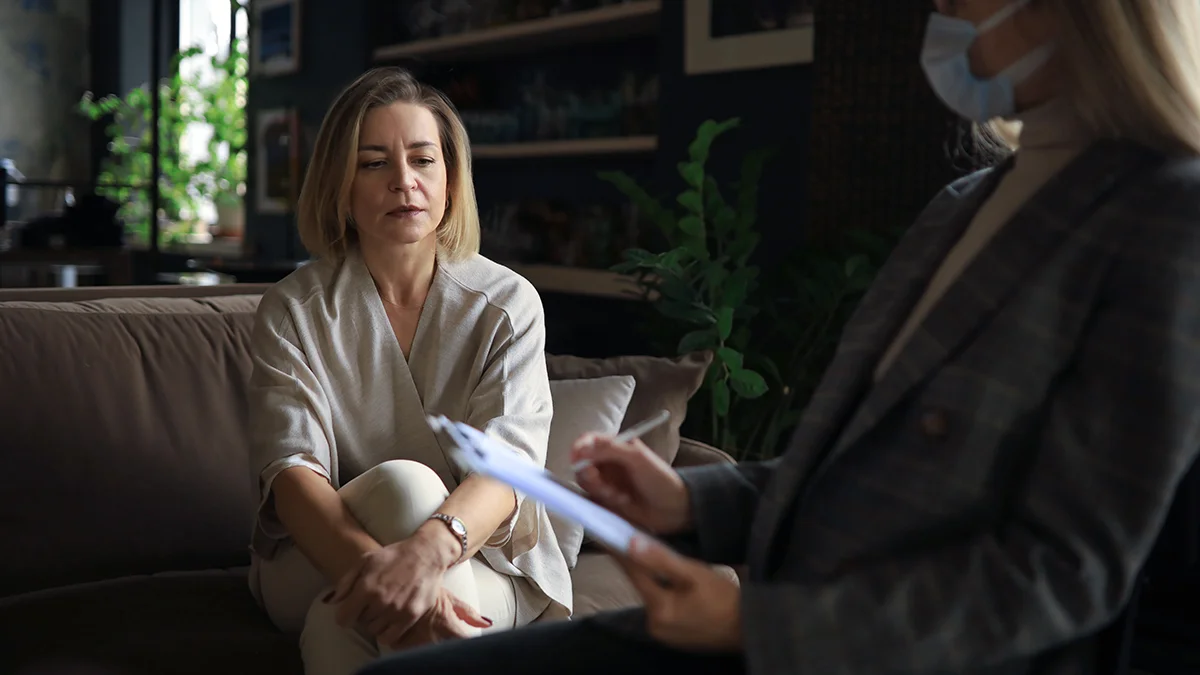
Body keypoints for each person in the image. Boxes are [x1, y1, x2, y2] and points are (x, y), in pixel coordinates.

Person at [356, 1, 1200, 674]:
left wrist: (755, 620)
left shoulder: (1168, 219)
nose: (937, 10)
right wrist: (690, 501)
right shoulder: (967, 202)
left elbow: (1060, 576)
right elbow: (856, 468)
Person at [245, 67, 571, 675]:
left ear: (450, 179)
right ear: (340, 184)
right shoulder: (294, 309)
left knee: (336, 622)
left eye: (423, 160)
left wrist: (427, 551)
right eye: (373, 163)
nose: (404, 182)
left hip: (479, 560)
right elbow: (291, 474)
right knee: (404, 487)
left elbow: (508, 467)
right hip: (320, 555)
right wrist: (389, 571)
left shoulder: (508, 304)